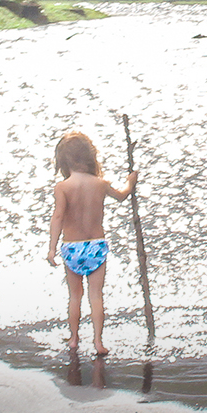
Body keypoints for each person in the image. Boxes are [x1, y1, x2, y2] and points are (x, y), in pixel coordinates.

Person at [46, 130, 136, 355]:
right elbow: (122, 195)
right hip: (96, 246)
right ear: (90, 157)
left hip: (72, 248)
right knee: (96, 296)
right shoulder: (101, 183)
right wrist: (130, 181)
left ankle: (74, 338)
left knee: (75, 295)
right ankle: (98, 342)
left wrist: (51, 249)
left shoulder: (63, 187)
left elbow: (57, 217)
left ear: (64, 161)